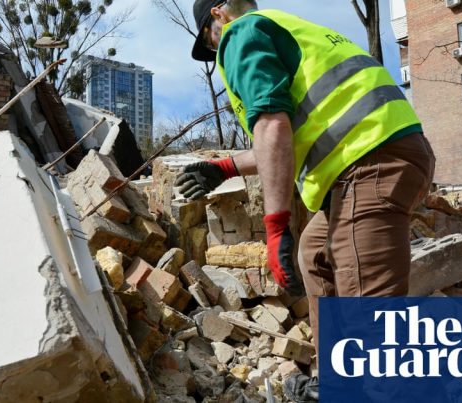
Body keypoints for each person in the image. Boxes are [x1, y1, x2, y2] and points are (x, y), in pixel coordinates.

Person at [176, 1, 436, 400]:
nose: (215, 49)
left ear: (218, 14)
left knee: (368, 304)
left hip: (369, 163)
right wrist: (224, 168)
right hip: (379, 155)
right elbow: (285, 137)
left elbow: (272, 125)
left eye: (210, 41)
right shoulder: (284, 27)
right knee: (314, 254)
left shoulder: (240, 32)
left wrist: (276, 226)